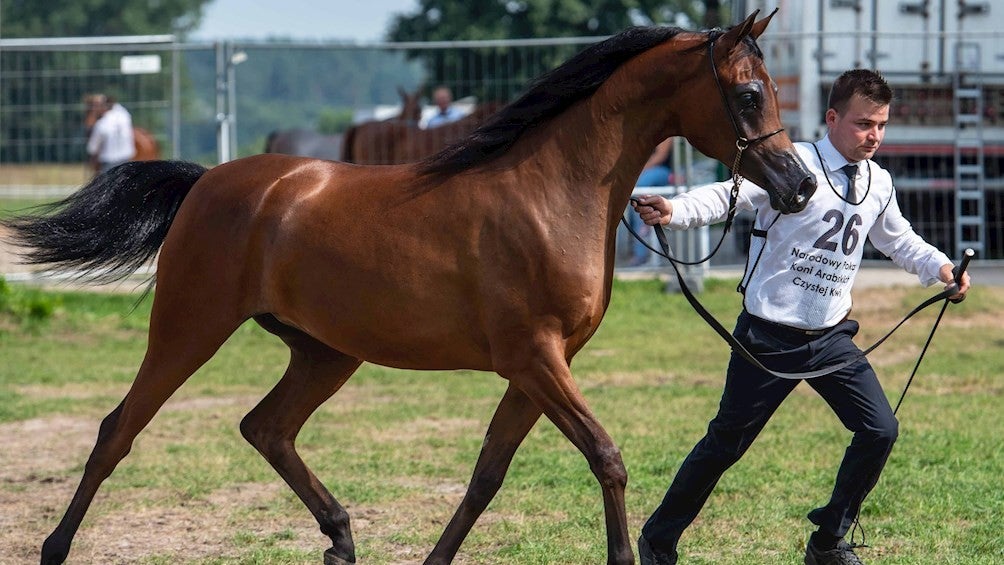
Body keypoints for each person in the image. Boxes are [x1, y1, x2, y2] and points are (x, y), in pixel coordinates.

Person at [631, 69, 970, 565]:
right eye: (862, 124)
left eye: (880, 124)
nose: (873, 135)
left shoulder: (879, 182)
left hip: (831, 338)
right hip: (766, 339)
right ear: (832, 118)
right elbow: (727, 196)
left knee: (880, 430)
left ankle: (829, 541)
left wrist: (943, 268)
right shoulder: (791, 163)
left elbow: (898, 241)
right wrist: (673, 209)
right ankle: (657, 541)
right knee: (725, 445)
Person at [627, 138, 673, 266]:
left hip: (661, 171)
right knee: (635, 196)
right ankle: (639, 249)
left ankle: (640, 252)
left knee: (639, 192)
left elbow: (661, 155)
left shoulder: (666, 131)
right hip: (645, 173)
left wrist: (638, 170)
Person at [86, 94, 135, 174]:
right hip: (126, 158)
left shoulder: (101, 124)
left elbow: (92, 148)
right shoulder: (124, 116)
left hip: (108, 161)